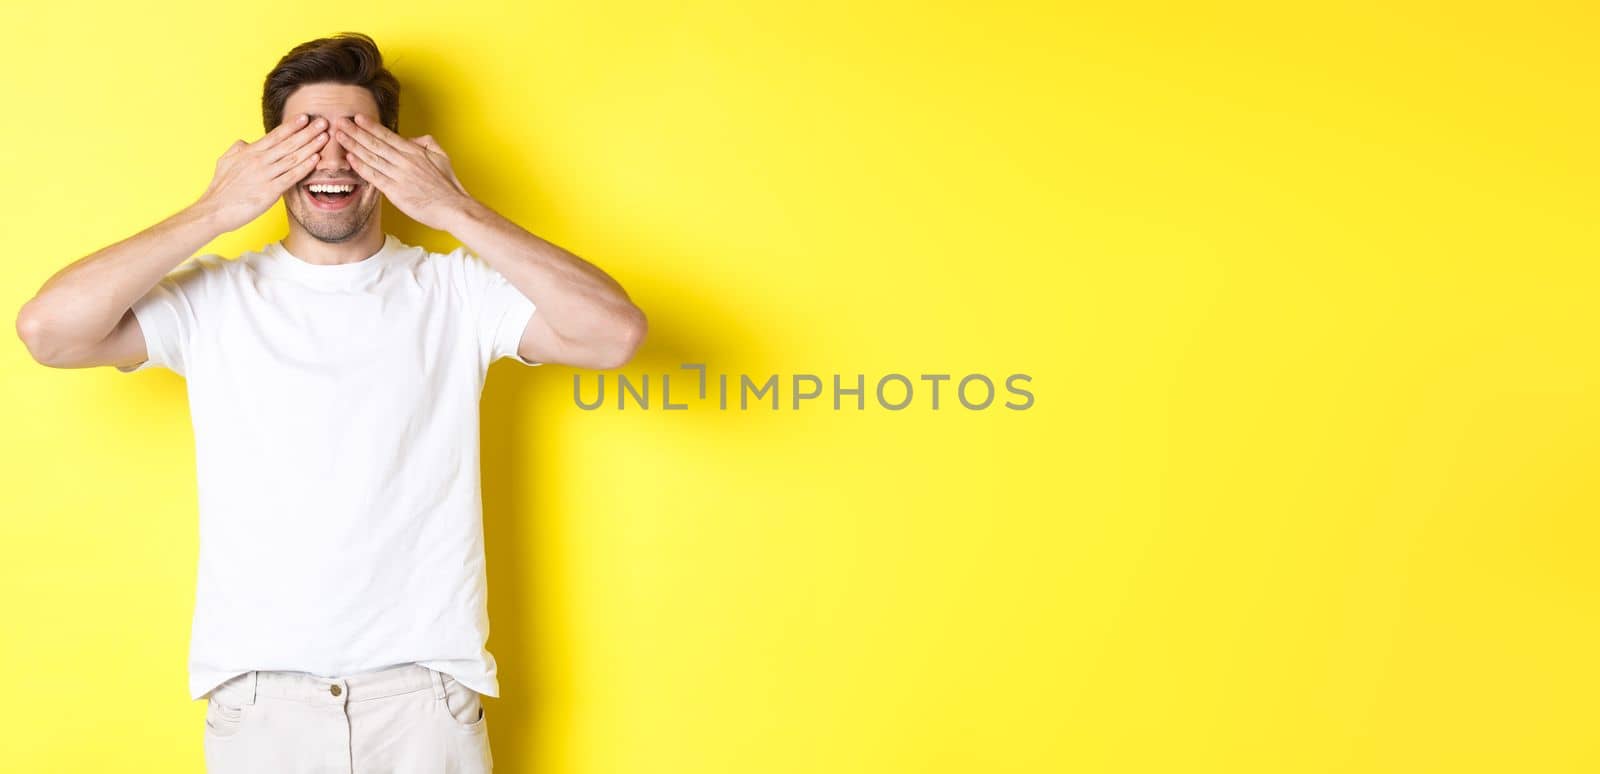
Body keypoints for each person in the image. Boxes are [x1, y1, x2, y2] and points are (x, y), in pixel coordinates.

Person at [14, 32, 646, 773]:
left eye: (361, 139)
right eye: (306, 139)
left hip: (425, 702)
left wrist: (453, 207)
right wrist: (215, 209)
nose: (336, 161)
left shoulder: (456, 292)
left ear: (400, 156)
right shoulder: (213, 299)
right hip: (261, 706)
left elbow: (614, 335)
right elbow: (47, 331)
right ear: (267, 158)